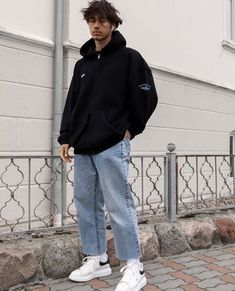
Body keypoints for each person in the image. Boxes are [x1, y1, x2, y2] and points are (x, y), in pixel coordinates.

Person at [58, 1, 158, 290]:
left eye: (102, 21)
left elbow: (146, 96)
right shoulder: (82, 65)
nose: (96, 26)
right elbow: (72, 104)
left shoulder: (129, 58)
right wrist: (65, 137)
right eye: (92, 21)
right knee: (86, 204)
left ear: (113, 24)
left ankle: (134, 266)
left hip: (112, 144)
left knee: (119, 204)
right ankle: (98, 259)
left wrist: (129, 130)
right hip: (84, 145)